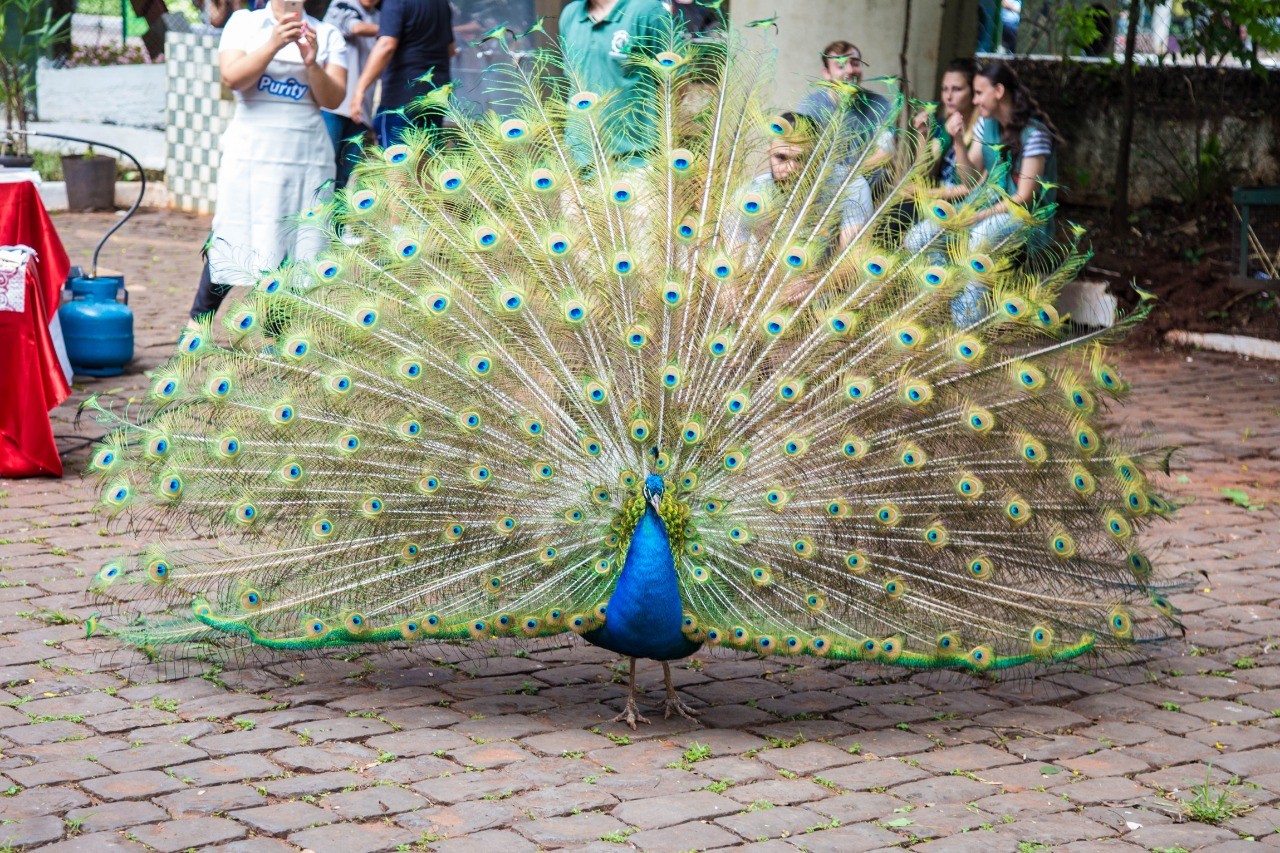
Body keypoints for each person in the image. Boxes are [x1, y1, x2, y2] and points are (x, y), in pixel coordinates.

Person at [192, 0, 348, 319]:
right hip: (252, 152)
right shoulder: (243, 24)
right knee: (233, 235)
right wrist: (274, 43)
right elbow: (232, 78)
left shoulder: (328, 34)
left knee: (296, 242)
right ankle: (198, 322)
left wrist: (312, 62)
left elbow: (333, 98)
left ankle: (277, 335)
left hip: (306, 155)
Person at [907, 61, 1060, 325]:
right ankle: (952, 295)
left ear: (998, 91)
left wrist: (977, 217)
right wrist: (957, 141)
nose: (976, 101)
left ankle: (966, 324)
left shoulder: (1035, 135)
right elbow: (970, 178)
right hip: (984, 204)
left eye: (979, 93)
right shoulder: (985, 126)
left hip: (1024, 217)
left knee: (980, 238)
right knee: (919, 237)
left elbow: (1023, 197)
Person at [726, 113, 873, 302]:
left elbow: (853, 259)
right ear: (769, 150)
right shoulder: (751, 197)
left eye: (801, 159)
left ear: (819, 156)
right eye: (781, 158)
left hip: (829, 293)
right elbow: (731, 263)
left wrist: (815, 285)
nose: (790, 169)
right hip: (771, 296)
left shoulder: (850, 186)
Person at [559, 0, 670, 168]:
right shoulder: (571, 14)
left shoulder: (647, 10)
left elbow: (674, 84)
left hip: (635, 160)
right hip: (581, 162)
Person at [349, 0, 453, 148]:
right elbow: (451, 49)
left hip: (402, 96)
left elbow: (386, 45)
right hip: (436, 93)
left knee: (398, 161)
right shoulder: (441, 3)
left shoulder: (395, 2)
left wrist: (360, 89)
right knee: (430, 158)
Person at [796, 40, 894, 164]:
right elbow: (800, 152)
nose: (850, 70)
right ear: (827, 74)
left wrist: (851, 177)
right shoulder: (810, 107)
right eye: (841, 66)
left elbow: (885, 150)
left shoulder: (880, 105)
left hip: (868, 181)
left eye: (855, 64)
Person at [322, 0, 379, 188]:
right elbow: (354, 27)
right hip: (334, 107)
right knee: (323, 171)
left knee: (344, 176)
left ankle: (335, 219)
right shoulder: (341, 5)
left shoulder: (378, 16)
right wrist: (393, 31)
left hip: (360, 112)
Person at [912, 58, 979, 196]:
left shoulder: (981, 129)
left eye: (957, 89)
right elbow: (924, 174)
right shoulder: (944, 124)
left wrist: (923, 194)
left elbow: (970, 185)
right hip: (938, 198)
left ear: (973, 92)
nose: (948, 96)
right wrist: (923, 135)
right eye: (944, 89)